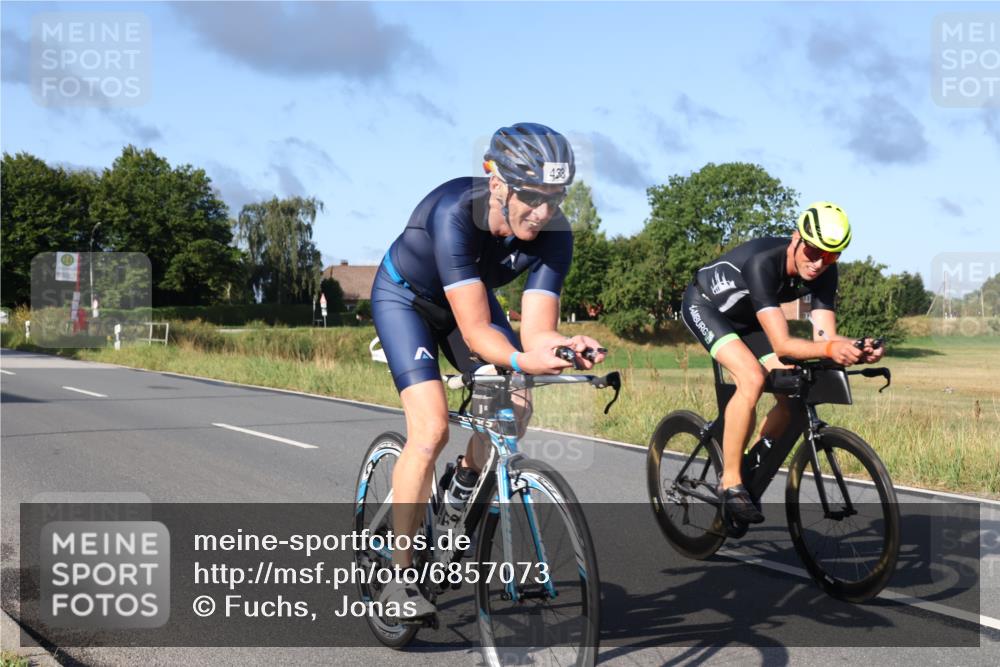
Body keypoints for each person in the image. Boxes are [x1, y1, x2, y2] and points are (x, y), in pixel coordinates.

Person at [370, 123, 606, 617]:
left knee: (516, 402)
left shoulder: (554, 233)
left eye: (556, 198)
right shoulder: (456, 214)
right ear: (496, 181)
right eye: (533, 197)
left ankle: (462, 485)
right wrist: (522, 358)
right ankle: (397, 579)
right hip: (406, 301)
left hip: (468, 302)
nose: (543, 214)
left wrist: (561, 346)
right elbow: (478, 335)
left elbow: (538, 330)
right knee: (431, 429)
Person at [680, 202, 885, 523]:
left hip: (749, 319)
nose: (819, 263)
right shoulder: (763, 264)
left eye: (832, 255)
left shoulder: (825, 272)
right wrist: (831, 348)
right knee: (751, 378)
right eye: (814, 251)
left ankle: (751, 458)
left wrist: (857, 346)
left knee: (791, 393)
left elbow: (823, 337)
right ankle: (730, 482)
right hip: (706, 307)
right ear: (796, 239)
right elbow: (784, 344)